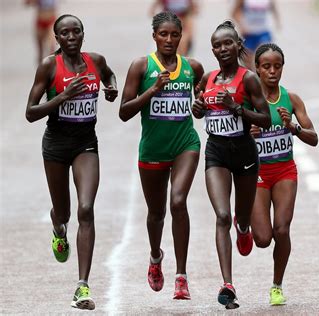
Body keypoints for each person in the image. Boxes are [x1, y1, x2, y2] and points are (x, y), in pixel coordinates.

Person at [25, 14, 118, 310]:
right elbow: (30, 111)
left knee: (86, 209)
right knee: (63, 212)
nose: (71, 37)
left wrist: (112, 88)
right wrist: (62, 97)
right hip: (55, 144)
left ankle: (82, 287)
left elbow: (110, 75)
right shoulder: (49, 66)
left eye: (76, 31)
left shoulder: (96, 61)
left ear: (82, 34)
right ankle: (58, 228)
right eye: (65, 33)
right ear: (57, 39)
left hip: (85, 144)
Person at [119, 11, 204, 300]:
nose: (169, 40)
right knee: (156, 213)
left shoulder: (192, 67)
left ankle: (181, 276)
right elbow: (124, 112)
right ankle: (156, 256)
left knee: (178, 202)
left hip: (185, 145)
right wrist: (153, 90)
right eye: (163, 34)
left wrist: (200, 107)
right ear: (154, 36)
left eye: (175, 35)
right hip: (153, 149)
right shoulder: (141, 67)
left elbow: (201, 100)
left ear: (182, 37)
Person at [191, 20, 271, 309]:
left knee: (241, 216)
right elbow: (199, 107)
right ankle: (228, 285)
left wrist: (236, 108)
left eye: (228, 43)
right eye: (217, 45)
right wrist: (197, 108)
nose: (222, 49)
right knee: (222, 216)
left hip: (245, 153)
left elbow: (266, 118)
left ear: (238, 45)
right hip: (216, 152)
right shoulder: (208, 79)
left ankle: (245, 227)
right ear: (212, 50)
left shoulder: (248, 78)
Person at [250, 43, 318, 306]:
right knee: (263, 239)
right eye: (266, 66)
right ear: (257, 68)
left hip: (284, 170)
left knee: (282, 229)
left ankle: (277, 285)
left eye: (277, 66)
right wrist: (248, 133)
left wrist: (293, 127)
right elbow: (229, 136)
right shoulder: (248, 100)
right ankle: (243, 219)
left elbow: (314, 138)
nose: (272, 71)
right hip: (256, 173)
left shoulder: (292, 99)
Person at [231, 0, 280, 71]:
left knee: (264, 56)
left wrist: (277, 21)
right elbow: (234, 13)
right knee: (248, 65)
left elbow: (274, 8)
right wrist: (242, 26)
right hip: (248, 33)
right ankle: (251, 78)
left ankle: (262, 78)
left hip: (263, 32)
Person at [25, 0, 58, 64]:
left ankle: (52, 71)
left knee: (51, 48)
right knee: (40, 52)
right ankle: (41, 71)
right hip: (40, 20)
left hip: (51, 20)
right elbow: (27, 3)